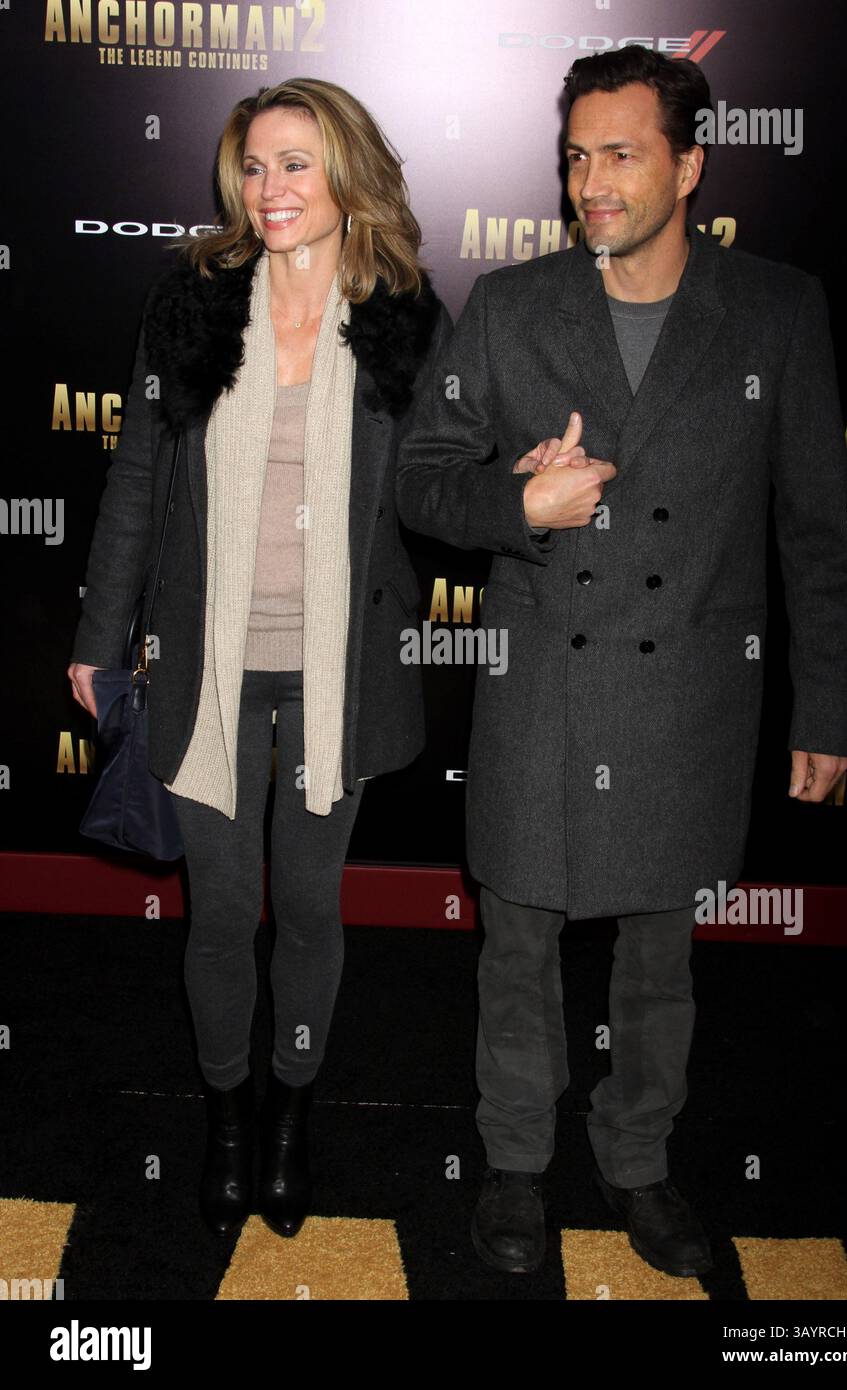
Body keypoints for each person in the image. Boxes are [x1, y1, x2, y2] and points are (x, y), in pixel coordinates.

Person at [395, 46, 847, 1277]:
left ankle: (640, 1162)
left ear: (689, 164)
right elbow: (420, 477)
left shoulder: (776, 310)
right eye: (574, 155)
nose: (590, 181)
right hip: (543, 694)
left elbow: (817, 530)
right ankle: (511, 1165)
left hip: (688, 704)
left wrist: (826, 703)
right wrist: (522, 508)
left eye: (620, 152)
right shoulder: (509, 306)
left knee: (660, 970)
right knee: (516, 954)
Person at [68, 78, 450, 1240]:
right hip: (210, 668)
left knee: (311, 911)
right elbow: (139, 477)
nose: (270, 189)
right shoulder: (191, 304)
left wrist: (519, 490)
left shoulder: (405, 317)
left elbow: (436, 486)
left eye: (295, 163)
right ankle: (227, 1113)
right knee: (222, 914)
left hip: (336, 673)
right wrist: (98, 637)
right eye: (254, 166)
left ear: (347, 176)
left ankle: (291, 1111)